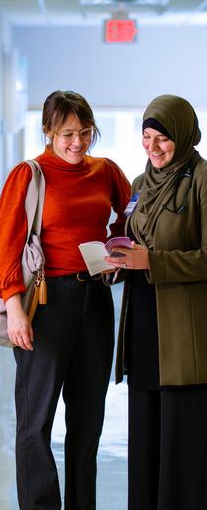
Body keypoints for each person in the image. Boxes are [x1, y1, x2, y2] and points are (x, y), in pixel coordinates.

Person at [0, 90, 131, 510]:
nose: (77, 143)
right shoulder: (29, 174)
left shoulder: (106, 171)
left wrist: (116, 254)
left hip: (95, 301)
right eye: (68, 133)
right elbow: (5, 246)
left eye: (85, 133)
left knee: (88, 423)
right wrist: (14, 308)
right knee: (35, 424)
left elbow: (130, 221)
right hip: (45, 303)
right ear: (48, 131)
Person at [105, 94, 207, 510]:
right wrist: (115, 262)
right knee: (145, 436)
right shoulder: (140, 184)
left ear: (181, 136)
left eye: (162, 138)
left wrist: (154, 261)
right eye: (147, 137)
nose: (153, 147)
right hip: (143, 322)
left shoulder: (201, 178)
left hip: (183, 331)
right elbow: (132, 240)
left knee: (181, 445)